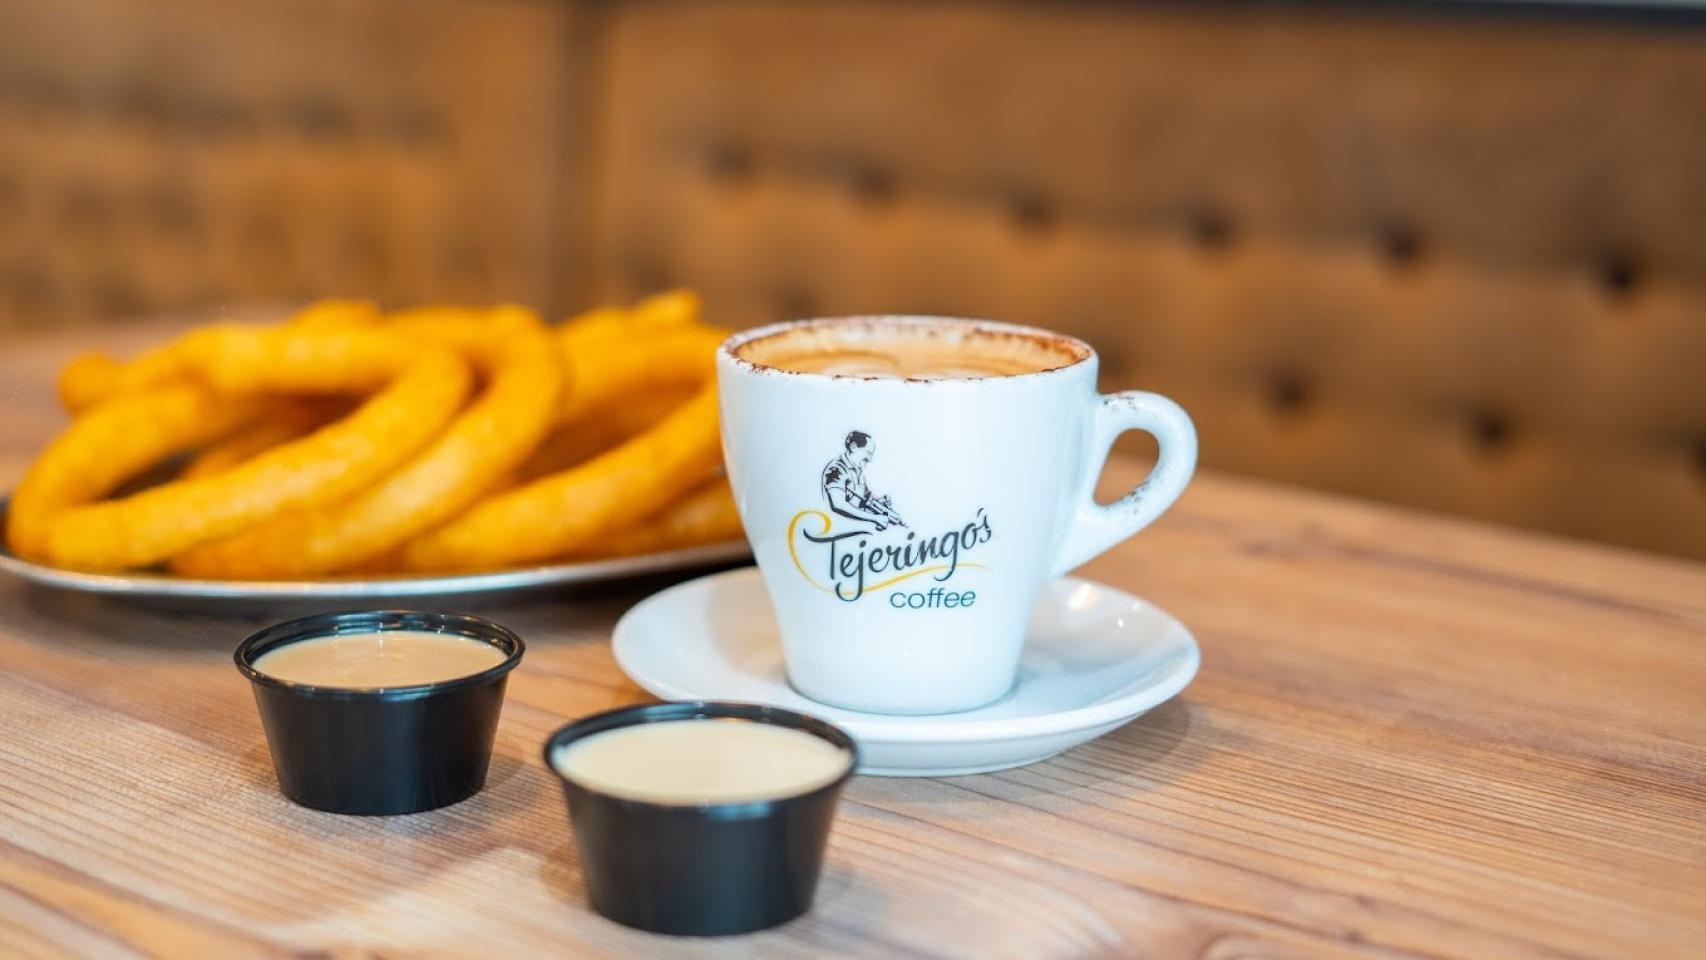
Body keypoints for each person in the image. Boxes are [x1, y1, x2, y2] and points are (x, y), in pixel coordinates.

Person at [820, 431, 905, 530]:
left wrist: (880, 502)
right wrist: (875, 518)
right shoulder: (836, 469)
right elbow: (838, 504)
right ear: (853, 447)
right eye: (868, 453)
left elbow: (865, 499)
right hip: (838, 531)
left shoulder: (859, 473)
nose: (870, 459)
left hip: (856, 530)